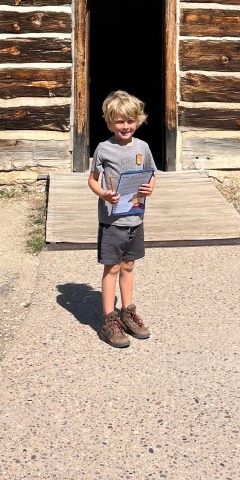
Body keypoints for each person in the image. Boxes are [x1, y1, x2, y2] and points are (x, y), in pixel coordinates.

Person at [87, 89, 157, 348]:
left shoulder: (143, 147)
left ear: (138, 121)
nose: (125, 126)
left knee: (128, 265)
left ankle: (128, 312)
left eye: (130, 121)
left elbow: (151, 175)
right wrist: (104, 195)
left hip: (135, 218)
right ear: (109, 122)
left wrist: (151, 187)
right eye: (119, 121)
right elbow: (92, 181)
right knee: (112, 268)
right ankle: (108, 320)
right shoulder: (104, 149)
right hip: (112, 219)